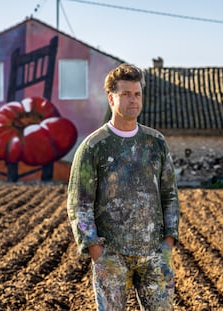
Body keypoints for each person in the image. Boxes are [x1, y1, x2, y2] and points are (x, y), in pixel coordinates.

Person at [67, 63, 180, 311]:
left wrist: (168, 243)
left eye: (137, 94)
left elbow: (170, 196)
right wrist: (96, 250)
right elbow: (79, 204)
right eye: (126, 94)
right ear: (111, 98)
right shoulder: (93, 146)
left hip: (154, 255)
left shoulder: (156, 143)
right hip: (111, 257)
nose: (133, 100)